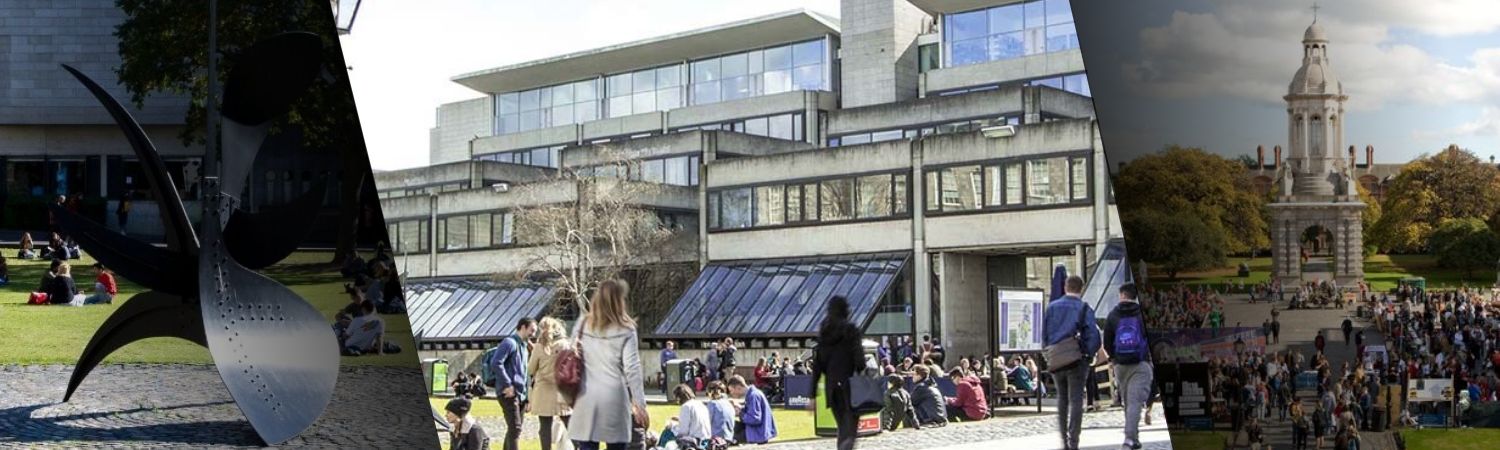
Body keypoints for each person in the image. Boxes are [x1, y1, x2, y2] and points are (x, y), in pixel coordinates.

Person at [570, 279, 649, 450]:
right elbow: (632, 368)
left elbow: (572, 355)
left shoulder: (583, 324)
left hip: (587, 395)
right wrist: (640, 403)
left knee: (587, 446)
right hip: (614, 396)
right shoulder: (626, 329)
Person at [1044, 275, 1101, 450]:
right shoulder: (1083, 307)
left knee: (1062, 399)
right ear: (1081, 289)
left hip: (1056, 357)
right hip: (1076, 359)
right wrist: (1088, 355)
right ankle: (1073, 440)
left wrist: (1048, 353)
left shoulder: (1052, 307)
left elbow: (1044, 333)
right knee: (1076, 399)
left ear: (1065, 288)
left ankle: (1064, 441)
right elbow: (1093, 336)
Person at [1103, 283, 1154, 450]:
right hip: (1141, 363)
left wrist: (1113, 358)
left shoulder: (1112, 315)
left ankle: (1134, 437)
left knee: (1127, 401)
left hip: (1121, 365)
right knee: (1135, 402)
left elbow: (1107, 342)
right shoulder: (1142, 314)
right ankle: (1129, 439)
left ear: (1122, 295)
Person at [810, 296, 863, 450]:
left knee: (842, 428)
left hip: (832, 388)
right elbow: (859, 362)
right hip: (850, 386)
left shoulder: (824, 333)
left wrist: (812, 395)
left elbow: (817, 367)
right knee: (850, 431)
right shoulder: (851, 331)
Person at [527, 317, 573, 450]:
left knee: (545, 427)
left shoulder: (539, 347)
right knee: (570, 424)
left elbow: (530, 369)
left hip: (543, 389)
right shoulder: (565, 344)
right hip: (562, 389)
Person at [492, 317, 534, 450]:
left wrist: (527, 397)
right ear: (523, 327)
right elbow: (496, 363)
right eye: (531, 330)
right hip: (508, 392)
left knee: (514, 428)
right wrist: (507, 384)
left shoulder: (524, 347)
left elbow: (525, 373)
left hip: (520, 393)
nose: (533, 334)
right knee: (515, 428)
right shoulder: (509, 343)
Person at [728, 374, 776, 445]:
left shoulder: (754, 396)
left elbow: (755, 419)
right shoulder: (752, 394)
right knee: (731, 425)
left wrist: (740, 413)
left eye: (731, 390)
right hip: (758, 430)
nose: (731, 393)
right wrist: (741, 408)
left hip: (758, 433)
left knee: (728, 438)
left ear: (738, 387)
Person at [667, 384, 711, 449]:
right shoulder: (700, 404)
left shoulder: (686, 406)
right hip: (706, 440)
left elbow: (683, 432)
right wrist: (680, 420)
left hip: (695, 441)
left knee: (667, 434)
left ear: (678, 397)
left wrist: (672, 427)